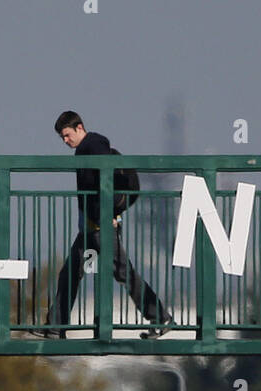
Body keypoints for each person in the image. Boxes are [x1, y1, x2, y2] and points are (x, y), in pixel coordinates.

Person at [42, 111, 173, 339]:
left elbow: (105, 167)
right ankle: (55, 326)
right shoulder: (86, 149)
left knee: (122, 272)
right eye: (62, 137)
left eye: (67, 135)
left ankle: (160, 317)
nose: (65, 141)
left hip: (100, 227)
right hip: (92, 228)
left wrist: (109, 211)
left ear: (79, 128)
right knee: (73, 273)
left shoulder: (93, 143)